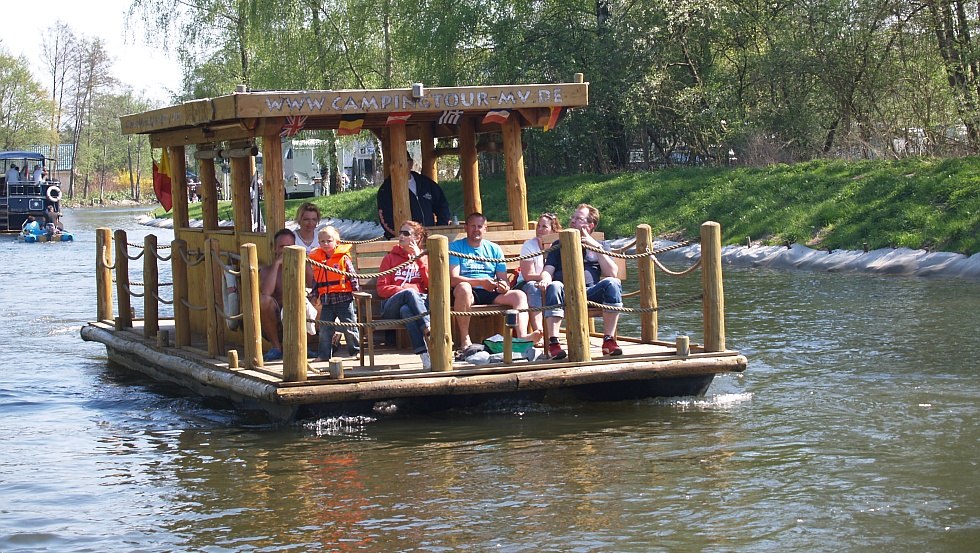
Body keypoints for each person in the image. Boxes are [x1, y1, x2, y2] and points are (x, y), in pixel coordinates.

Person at [539, 204, 624, 359]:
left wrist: (596, 246)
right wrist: (545, 279)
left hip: (590, 293)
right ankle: (554, 344)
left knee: (613, 283)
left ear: (590, 225)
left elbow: (612, 272)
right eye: (573, 217)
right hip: (564, 293)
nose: (572, 221)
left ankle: (608, 341)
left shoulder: (601, 246)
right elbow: (548, 270)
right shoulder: (559, 244)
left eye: (578, 218)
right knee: (555, 285)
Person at [449, 212, 539, 349]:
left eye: (480, 226)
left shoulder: (494, 249)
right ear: (465, 228)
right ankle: (465, 339)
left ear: (485, 229)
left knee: (519, 295)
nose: (476, 229)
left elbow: (503, 279)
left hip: (490, 289)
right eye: (472, 226)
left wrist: (504, 286)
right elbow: (453, 279)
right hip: (468, 291)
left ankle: (522, 337)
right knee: (463, 288)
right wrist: (480, 282)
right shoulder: (455, 247)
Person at [377, 220, 431, 369]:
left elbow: (431, 286)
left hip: (418, 304)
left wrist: (419, 260)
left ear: (418, 237)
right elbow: (381, 289)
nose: (401, 236)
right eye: (400, 232)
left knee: (406, 311)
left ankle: (424, 355)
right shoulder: (390, 258)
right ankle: (428, 329)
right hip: (391, 306)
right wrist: (403, 291)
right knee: (409, 293)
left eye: (406, 233)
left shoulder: (425, 258)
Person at [259, 229, 315, 361]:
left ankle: (305, 346)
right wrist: (277, 264)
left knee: (319, 301)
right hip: (277, 319)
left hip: (300, 312)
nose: (285, 250)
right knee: (263, 301)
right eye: (282, 247)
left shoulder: (304, 266)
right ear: (275, 249)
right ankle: (276, 348)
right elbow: (266, 292)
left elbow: (315, 287)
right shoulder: (267, 270)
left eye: (289, 247)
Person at [308, 226, 360, 361]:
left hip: (344, 299)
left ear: (337, 242)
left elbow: (352, 276)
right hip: (327, 301)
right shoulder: (318, 260)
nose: (325, 244)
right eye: (322, 241)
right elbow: (316, 280)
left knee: (349, 326)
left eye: (329, 241)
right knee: (325, 329)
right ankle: (324, 355)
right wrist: (314, 295)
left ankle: (355, 352)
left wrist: (356, 292)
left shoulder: (343, 258)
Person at [376, 151, 452, 238]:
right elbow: (385, 218)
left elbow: (442, 205)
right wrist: (403, 235)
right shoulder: (386, 189)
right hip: (403, 240)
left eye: (405, 161)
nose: (401, 165)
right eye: (397, 163)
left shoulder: (425, 183)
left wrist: (440, 229)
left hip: (430, 236)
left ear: (411, 163)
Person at [517, 213, 562, 337]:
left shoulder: (558, 246)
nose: (540, 230)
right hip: (527, 283)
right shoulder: (529, 245)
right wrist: (546, 278)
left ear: (554, 230)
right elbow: (528, 275)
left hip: (551, 282)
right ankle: (539, 332)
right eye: (538, 226)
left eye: (544, 227)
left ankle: (554, 333)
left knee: (557, 287)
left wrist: (550, 280)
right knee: (533, 287)